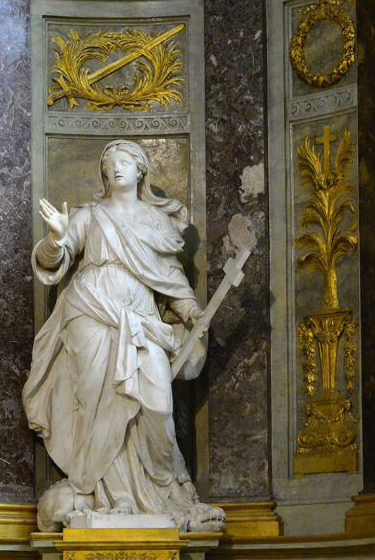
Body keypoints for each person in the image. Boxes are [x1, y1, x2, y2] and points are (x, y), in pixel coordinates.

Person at [23, 139, 225, 532]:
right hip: (90, 315)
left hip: (142, 322)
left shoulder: (156, 221)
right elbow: (54, 261)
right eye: (109, 164)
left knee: (157, 404)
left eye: (124, 162)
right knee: (98, 407)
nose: (116, 168)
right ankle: (111, 496)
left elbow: (170, 278)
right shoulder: (89, 215)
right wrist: (55, 238)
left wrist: (190, 312)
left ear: (140, 170)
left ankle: (166, 490)